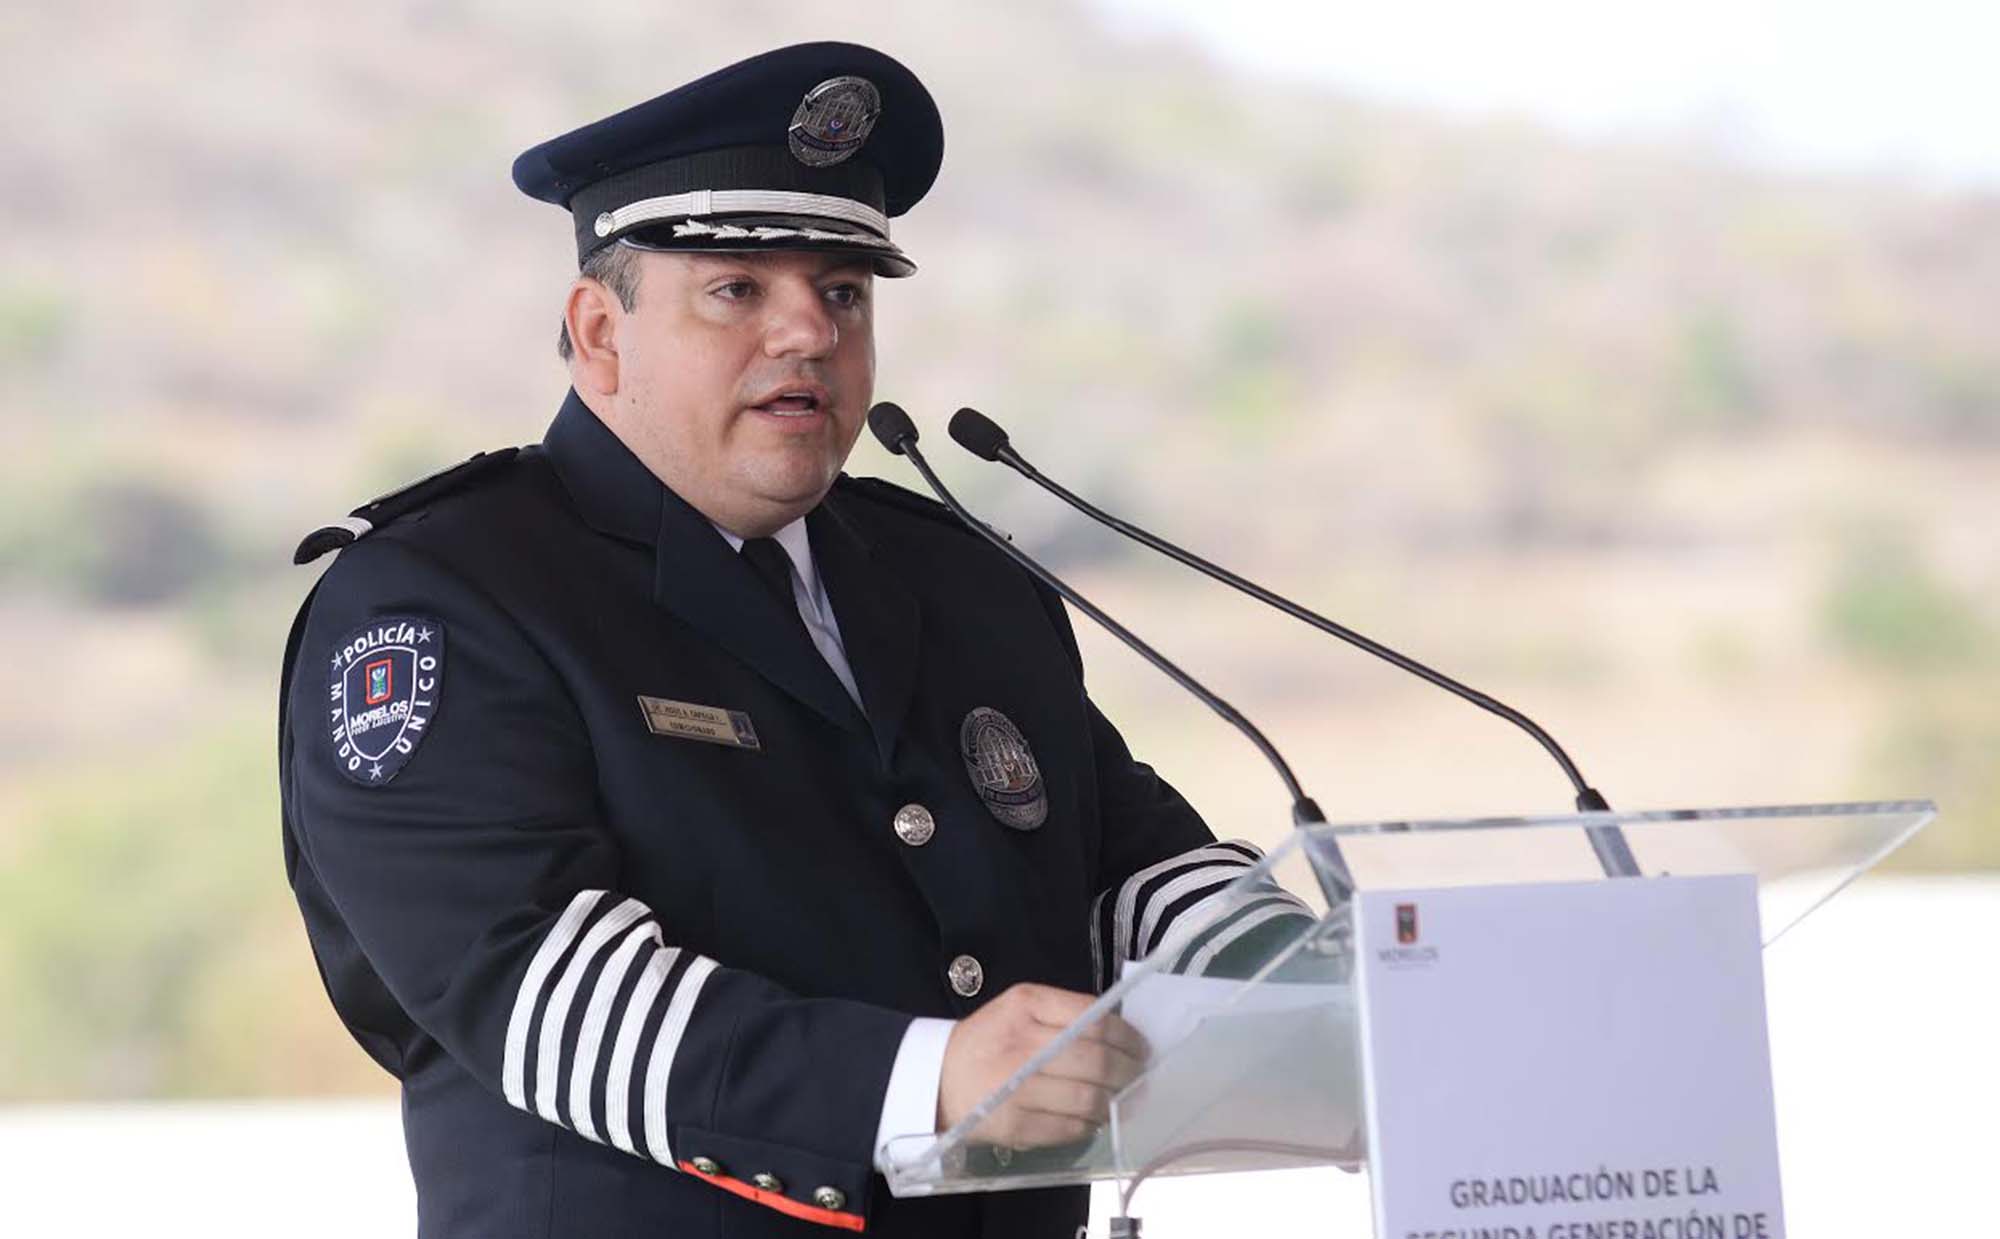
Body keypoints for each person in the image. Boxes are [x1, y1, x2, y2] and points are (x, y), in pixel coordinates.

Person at [279, 42, 1293, 1239]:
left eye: (843, 292)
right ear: (600, 332)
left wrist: (1305, 971)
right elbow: (534, 991)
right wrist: (924, 1080)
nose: (808, 331)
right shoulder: (446, 597)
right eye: (736, 290)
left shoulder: (960, 577)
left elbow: (1125, 869)